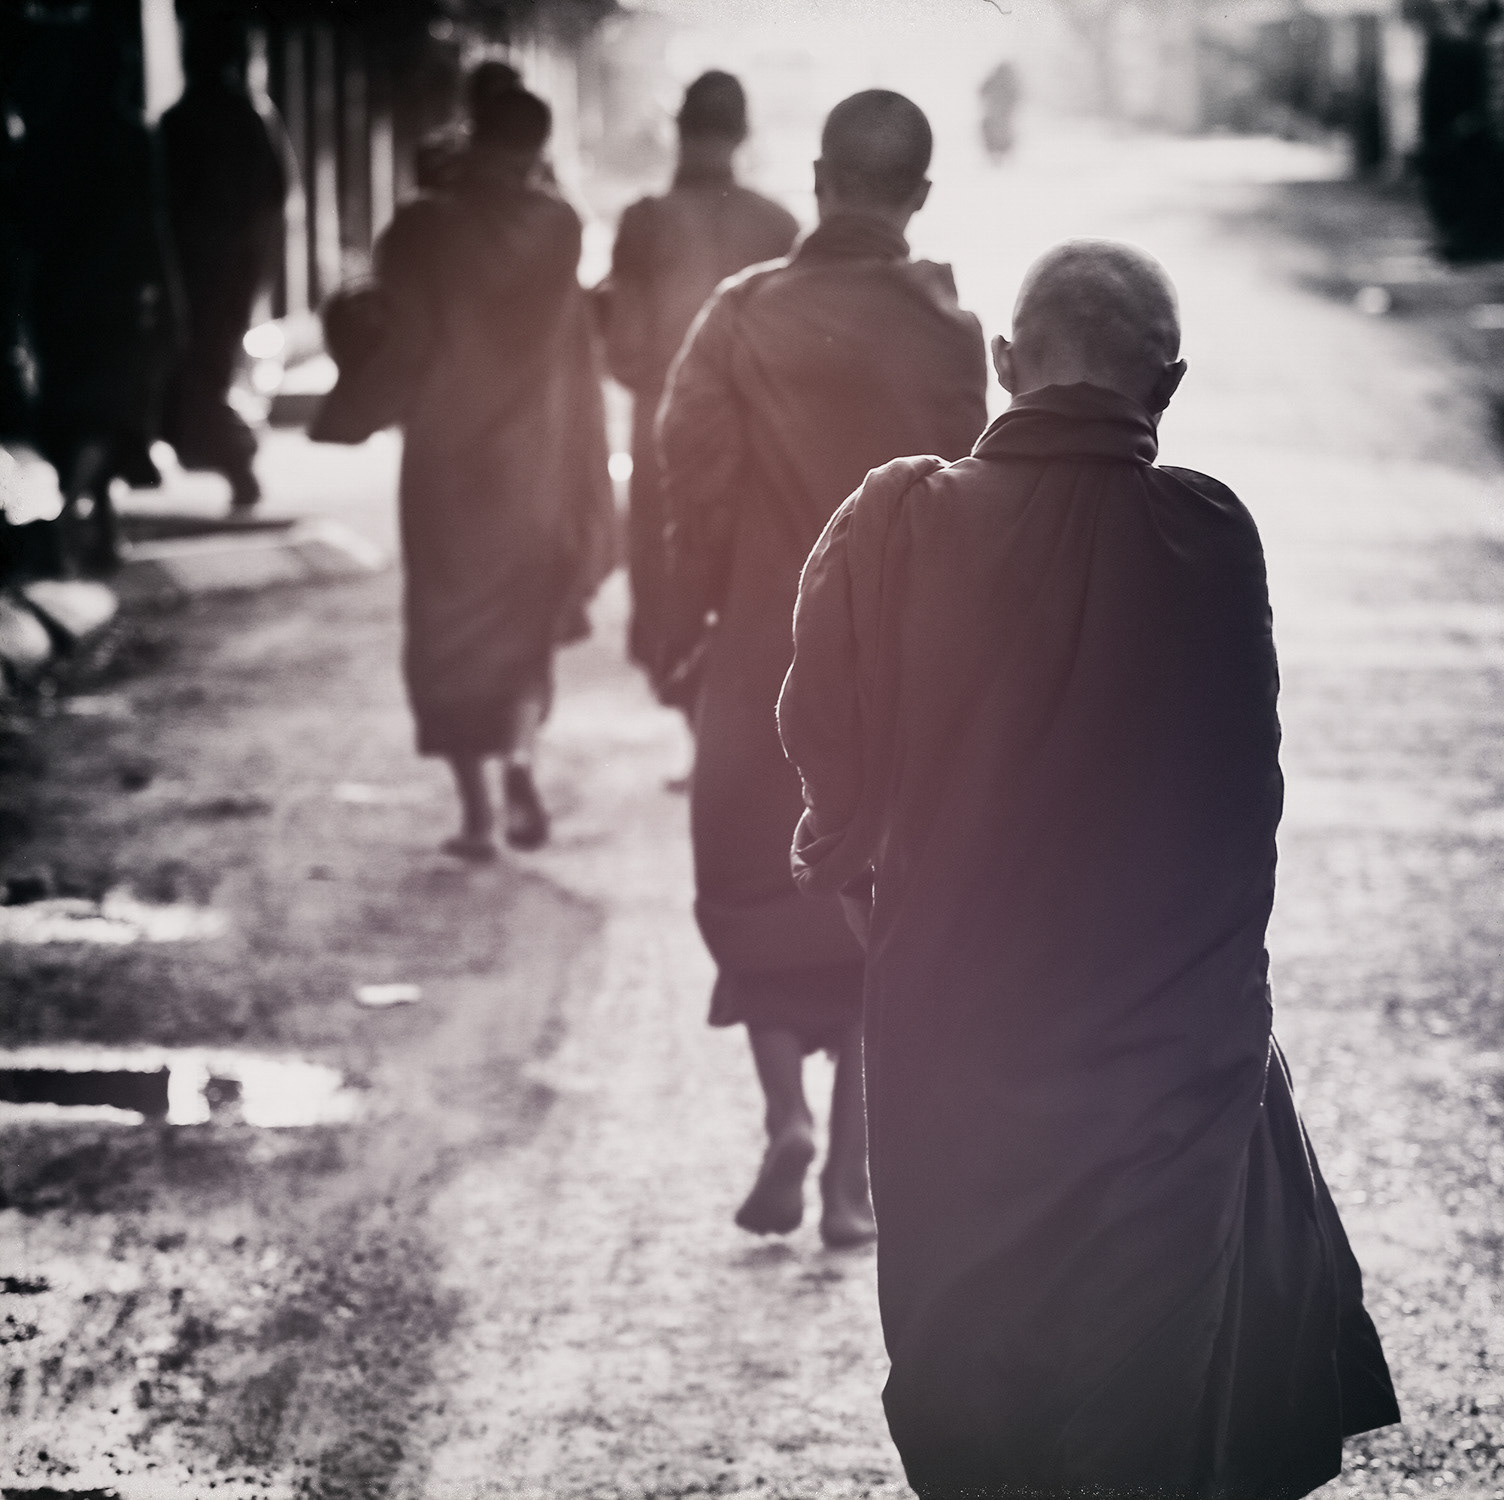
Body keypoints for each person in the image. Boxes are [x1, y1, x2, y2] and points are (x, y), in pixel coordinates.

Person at [778, 239, 1399, 1498]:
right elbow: (1242, 795)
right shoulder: (1213, 532)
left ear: (1005, 367)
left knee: (967, 1388)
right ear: (1166, 393)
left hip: (956, 1044)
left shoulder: (896, 520)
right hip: (1166, 1066)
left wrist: (884, 906)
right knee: (1145, 1421)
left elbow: (825, 762)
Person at [657, 91, 987, 1247]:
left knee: (754, 884)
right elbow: (965, 508)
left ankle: (783, 1118)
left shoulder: (739, 316)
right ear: (920, 197)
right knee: (874, 894)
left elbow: (687, 485)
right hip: (897, 670)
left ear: (816, 180)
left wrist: (680, 626)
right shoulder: (951, 329)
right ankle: (851, 1179)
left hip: (761, 656)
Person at [371, 68, 614, 857]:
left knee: (445, 629)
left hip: (444, 460)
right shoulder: (560, 226)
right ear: (539, 147)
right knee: (520, 628)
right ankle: (518, 759)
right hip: (530, 464)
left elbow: (392, 336)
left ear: (470, 132)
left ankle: (477, 816)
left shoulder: (418, 229)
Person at [601, 71, 797, 691]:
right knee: (749, 567)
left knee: (671, 568)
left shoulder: (645, 222)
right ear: (743, 134)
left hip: (666, 425)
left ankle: (695, 725)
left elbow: (624, 353)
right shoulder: (777, 224)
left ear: (678, 130)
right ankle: (725, 736)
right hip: (757, 426)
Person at [159, 16, 288, 511]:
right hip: (233, 268)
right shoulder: (250, 116)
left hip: (192, 270)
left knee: (193, 370)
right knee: (207, 369)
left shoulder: (182, 119)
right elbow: (275, 194)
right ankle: (235, 459)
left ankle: (236, 459)